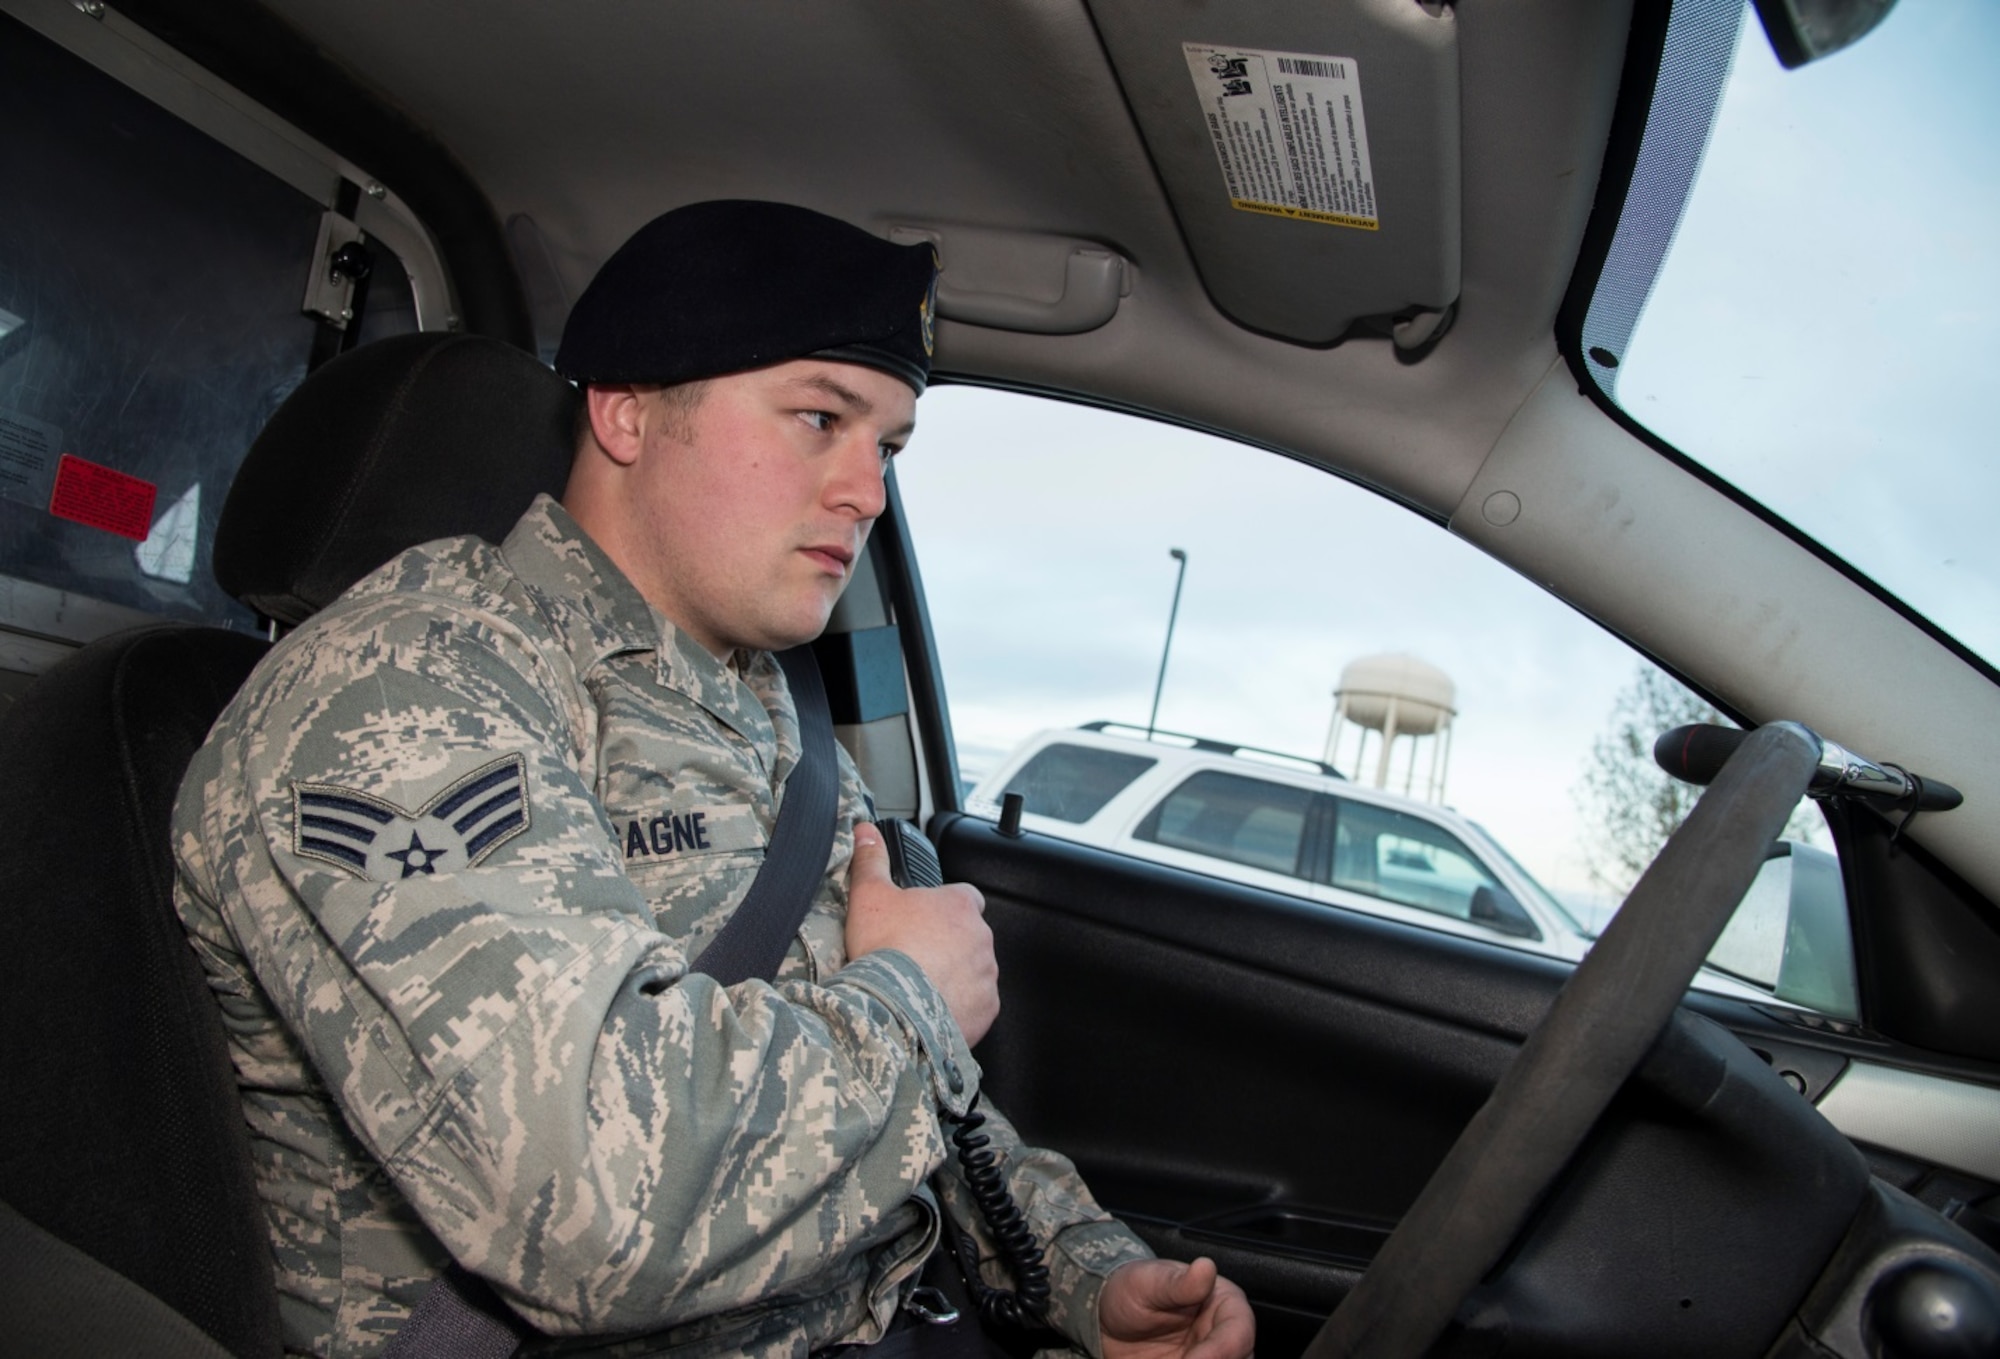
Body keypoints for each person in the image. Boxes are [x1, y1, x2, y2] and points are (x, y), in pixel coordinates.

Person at [173, 200, 1254, 1359]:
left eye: (883, 446)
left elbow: (889, 1080)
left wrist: (1082, 1274)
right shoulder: (408, 686)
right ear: (630, 410)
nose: (867, 493)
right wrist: (916, 997)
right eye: (818, 418)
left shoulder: (767, 714)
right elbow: (593, 1213)